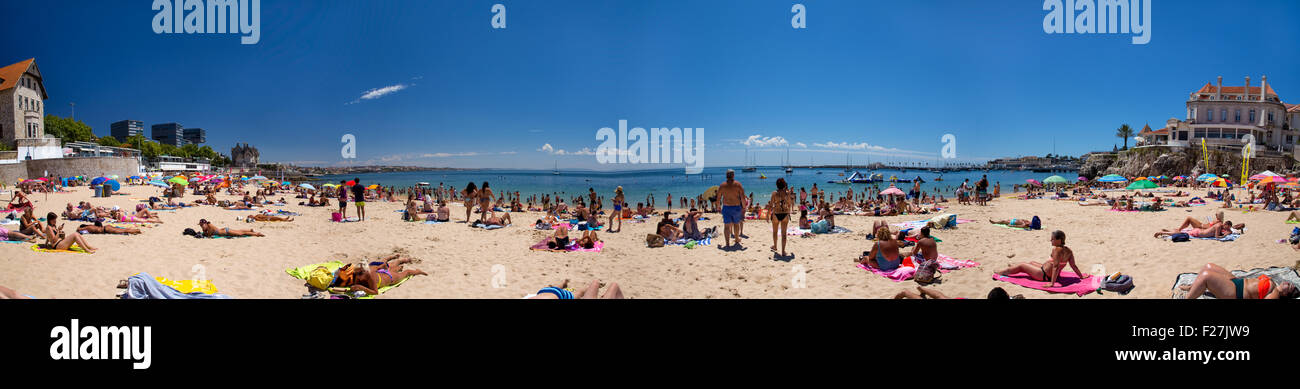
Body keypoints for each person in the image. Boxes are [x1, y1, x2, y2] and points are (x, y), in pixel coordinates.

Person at [996, 230, 1087, 288]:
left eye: (1052, 239)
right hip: (1047, 272)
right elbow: (1073, 266)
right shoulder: (1069, 251)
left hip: (1044, 275)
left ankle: (1001, 272)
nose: (1050, 241)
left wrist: (1052, 283)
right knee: (1031, 262)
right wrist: (1081, 276)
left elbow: (1055, 267)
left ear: (1059, 240)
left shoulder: (1056, 250)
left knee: (1022, 265)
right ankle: (1012, 266)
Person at [1179, 263, 1299, 299]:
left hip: (1236, 293)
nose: (1288, 283)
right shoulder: (1275, 285)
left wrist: (1277, 292)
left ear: (1286, 294)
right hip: (1237, 282)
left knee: (1206, 276)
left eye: (1289, 286)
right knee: (1208, 266)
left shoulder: (1274, 295)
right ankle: (1193, 287)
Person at [335, 255, 428, 296]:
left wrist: (362, 288)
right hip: (382, 273)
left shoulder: (369, 276)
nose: (356, 275)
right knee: (391, 267)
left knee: (406, 272)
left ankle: (418, 271)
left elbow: (375, 292)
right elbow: (377, 268)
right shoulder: (364, 272)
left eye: (358, 273)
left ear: (364, 272)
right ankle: (399, 265)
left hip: (390, 279)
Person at [767, 178, 794, 256]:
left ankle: (775, 246)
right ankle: (783, 251)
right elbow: (789, 203)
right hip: (785, 214)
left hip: (776, 213)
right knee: (784, 233)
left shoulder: (774, 193)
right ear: (784, 185)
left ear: (777, 185)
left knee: (775, 232)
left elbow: (771, 205)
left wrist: (767, 215)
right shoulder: (787, 193)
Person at [718, 169, 745, 248]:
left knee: (726, 226)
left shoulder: (722, 185)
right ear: (733, 175)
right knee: (736, 224)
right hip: (736, 207)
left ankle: (727, 243)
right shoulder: (738, 185)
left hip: (726, 207)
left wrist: (718, 207)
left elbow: (718, 198)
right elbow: (742, 198)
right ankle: (736, 239)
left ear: (726, 176)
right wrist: (744, 207)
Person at [528, 279, 624, 299]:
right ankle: (563, 283)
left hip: (557, 295)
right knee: (557, 287)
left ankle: (587, 288)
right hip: (543, 291)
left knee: (578, 293)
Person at [198, 219, 265, 237]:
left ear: (205, 224)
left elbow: (209, 235)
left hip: (226, 232)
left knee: (241, 233)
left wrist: (204, 231)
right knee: (238, 231)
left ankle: (257, 234)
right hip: (224, 230)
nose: (201, 226)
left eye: (201, 225)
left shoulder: (209, 225)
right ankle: (250, 230)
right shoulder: (208, 225)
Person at [76, 221, 141, 235]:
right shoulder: (91, 226)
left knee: (123, 231)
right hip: (106, 227)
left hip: (106, 229)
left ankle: (137, 231)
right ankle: (136, 231)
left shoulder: (88, 227)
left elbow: (78, 229)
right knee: (122, 230)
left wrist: (80, 227)